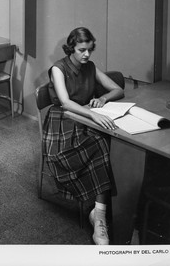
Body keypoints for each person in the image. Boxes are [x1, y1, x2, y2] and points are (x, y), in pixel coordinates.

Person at [43, 27, 124, 245]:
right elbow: (66, 102)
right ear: (71, 48)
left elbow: (117, 89)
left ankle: (98, 213)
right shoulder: (58, 69)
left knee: (107, 141)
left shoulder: (90, 67)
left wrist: (104, 99)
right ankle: (99, 219)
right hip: (63, 120)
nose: (86, 55)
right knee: (100, 144)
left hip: (85, 116)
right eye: (81, 50)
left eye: (89, 50)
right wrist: (91, 113)